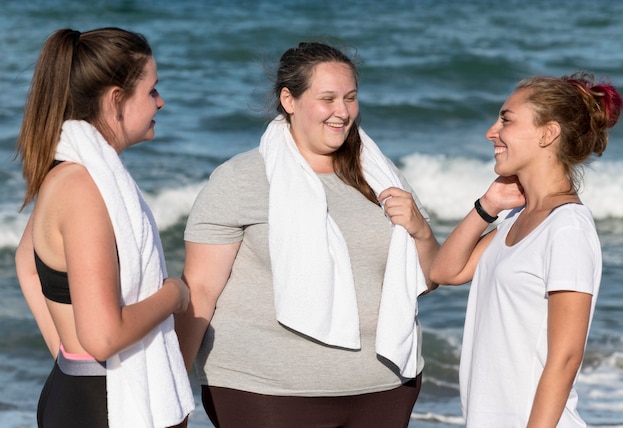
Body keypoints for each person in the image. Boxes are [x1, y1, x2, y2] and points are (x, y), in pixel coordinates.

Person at [174, 41, 440, 428]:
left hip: (384, 386)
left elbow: (427, 278)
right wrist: (173, 393)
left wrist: (422, 231)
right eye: (327, 98)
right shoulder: (242, 178)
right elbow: (199, 290)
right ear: (289, 100)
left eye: (350, 98)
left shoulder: (381, 177)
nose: (342, 111)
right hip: (265, 391)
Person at [14, 28, 194, 428]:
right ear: (116, 100)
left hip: (81, 391)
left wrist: (67, 356)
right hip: (101, 407)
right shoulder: (84, 188)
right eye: (151, 91)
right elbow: (102, 337)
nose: (160, 102)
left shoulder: (65, 174)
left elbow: (26, 263)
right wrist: (174, 294)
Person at [430, 72, 623, 427]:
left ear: (548, 133)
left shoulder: (566, 227)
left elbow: (565, 358)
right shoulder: (517, 220)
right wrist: (488, 204)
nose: (492, 131)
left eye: (506, 120)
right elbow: (445, 271)